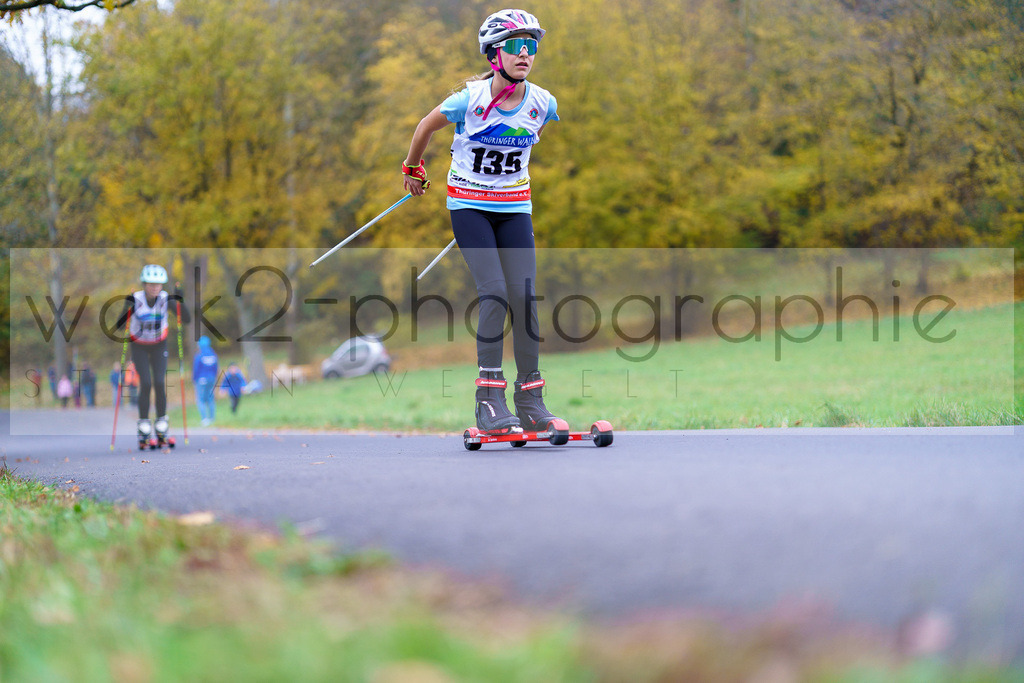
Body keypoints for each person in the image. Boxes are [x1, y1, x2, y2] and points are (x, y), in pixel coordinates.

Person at [402, 9, 560, 434]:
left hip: (514, 207)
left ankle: (530, 400)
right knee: (494, 294)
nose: (525, 53)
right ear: (494, 54)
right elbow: (423, 127)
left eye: (532, 46)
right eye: (515, 46)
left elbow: (522, 143)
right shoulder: (466, 100)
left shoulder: (544, 104)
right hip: (469, 206)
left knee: (524, 297)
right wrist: (412, 168)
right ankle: (488, 401)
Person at [116, 265, 190, 445]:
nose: (155, 288)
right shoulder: (136, 299)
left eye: (158, 284)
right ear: (144, 284)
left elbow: (186, 319)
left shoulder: (165, 299)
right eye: (151, 284)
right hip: (139, 346)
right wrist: (127, 307)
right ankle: (143, 426)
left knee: (158, 382)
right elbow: (119, 325)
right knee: (146, 383)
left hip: (159, 345)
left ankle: (162, 424)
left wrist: (180, 300)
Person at [192, 335, 218, 426]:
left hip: (201, 380)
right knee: (210, 398)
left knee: (200, 399)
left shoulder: (199, 355)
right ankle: (212, 418)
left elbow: (196, 369)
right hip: (211, 379)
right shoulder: (213, 354)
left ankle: (204, 419)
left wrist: (194, 379)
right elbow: (215, 368)